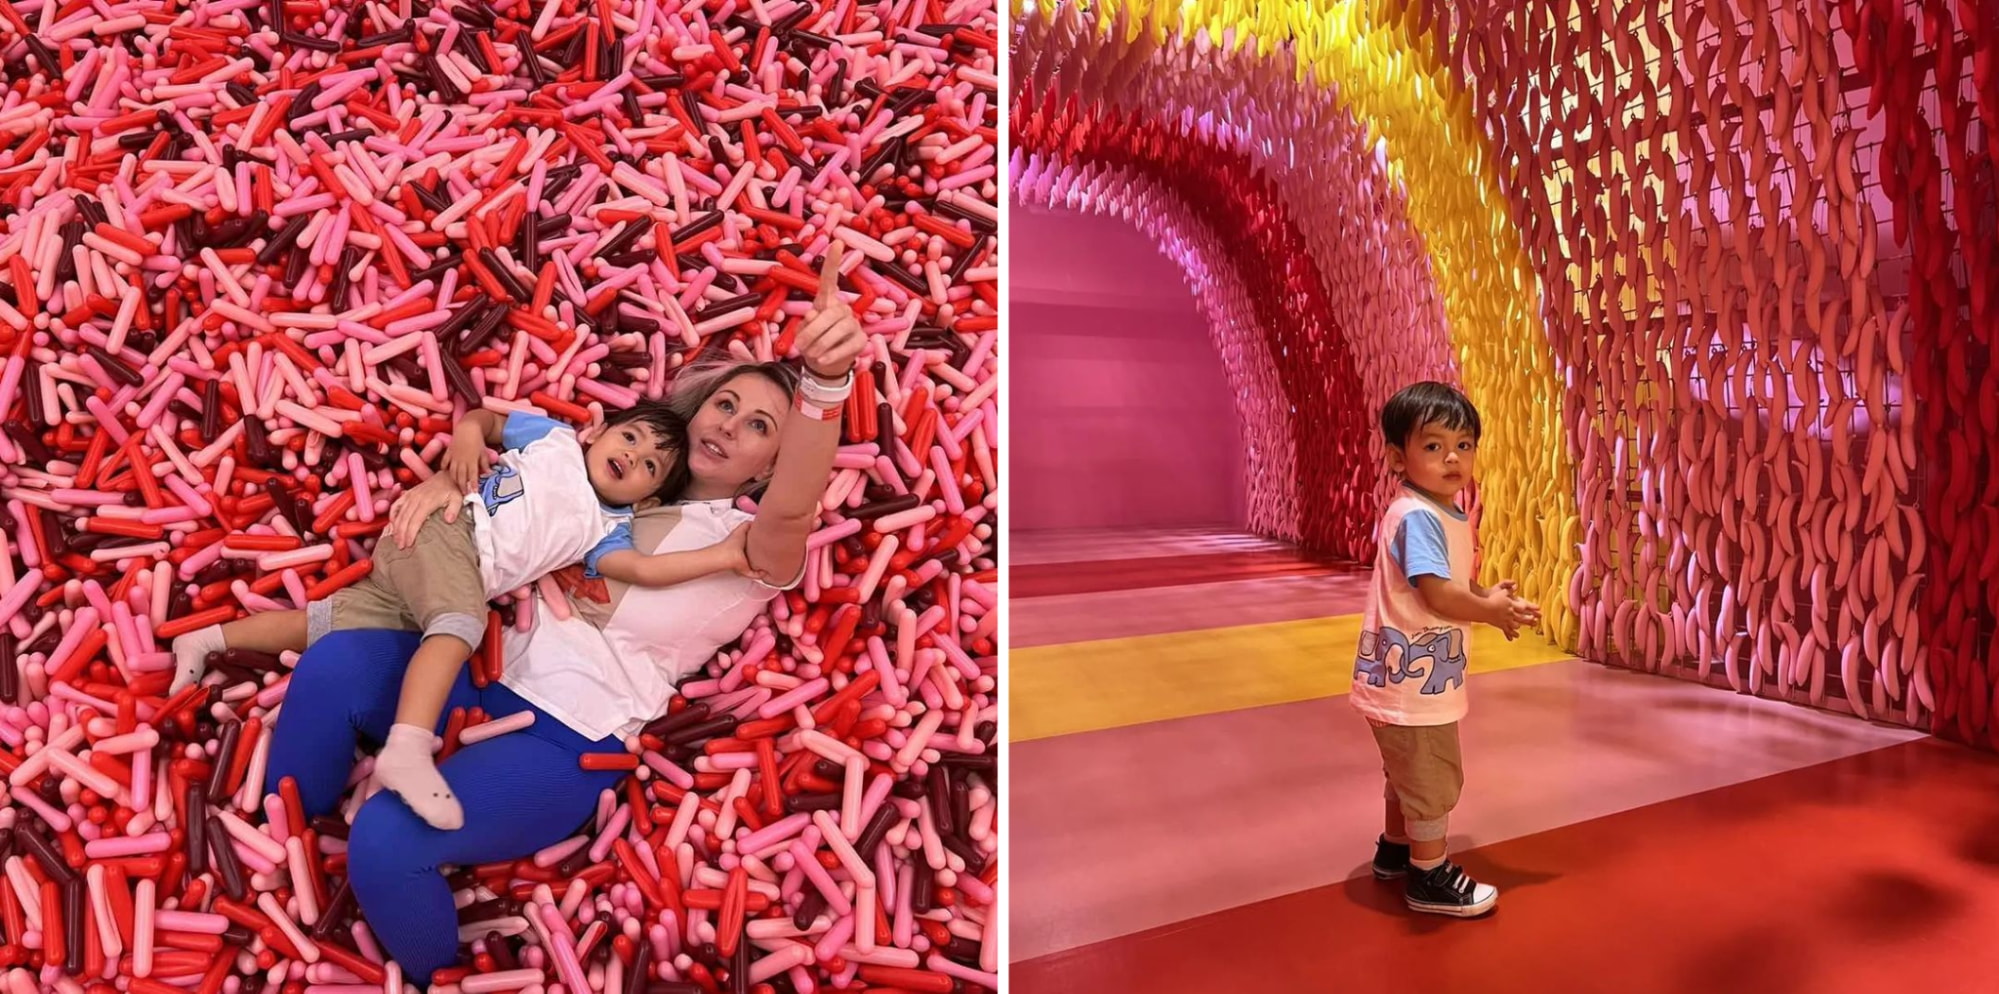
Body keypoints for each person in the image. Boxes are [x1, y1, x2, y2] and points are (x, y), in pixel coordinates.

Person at [260, 245, 867, 983]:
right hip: (470, 676)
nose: (729, 426)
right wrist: (441, 487)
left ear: (770, 465)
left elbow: (798, 502)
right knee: (334, 664)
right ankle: (273, 855)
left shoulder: (750, 547)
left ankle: (436, 975)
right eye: (725, 405)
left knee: (388, 838)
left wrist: (825, 384)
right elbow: (496, 499)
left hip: (563, 739)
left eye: (759, 427)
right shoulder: (610, 472)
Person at [169, 398, 749, 830]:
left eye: (649, 466)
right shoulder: (557, 442)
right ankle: (408, 748)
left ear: (646, 501)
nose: (633, 456)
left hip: (435, 570)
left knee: (327, 622)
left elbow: (642, 572)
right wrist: (468, 439)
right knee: (461, 627)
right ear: (598, 431)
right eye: (632, 439)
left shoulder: (608, 528)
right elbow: (485, 418)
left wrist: (723, 555)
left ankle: (206, 639)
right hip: (450, 534)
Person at [1351, 381, 1540, 917]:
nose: (1452, 458)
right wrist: (1489, 611)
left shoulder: (1434, 513)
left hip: (1402, 677)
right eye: (1433, 446)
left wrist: (1484, 596)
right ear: (1397, 456)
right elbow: (1436, 593)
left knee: (1406, 776)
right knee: (1432, 779)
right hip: (1413, 686)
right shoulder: (1419, 517)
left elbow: (1443, 585)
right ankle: (1429, 876)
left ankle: (1396, 850)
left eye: (1464, 445)